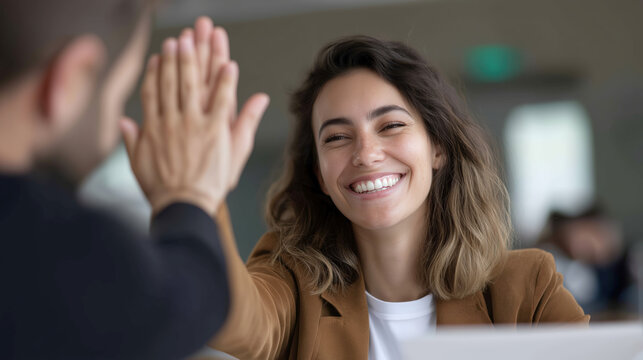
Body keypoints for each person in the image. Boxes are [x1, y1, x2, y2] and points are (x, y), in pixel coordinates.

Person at [152, 36, 588, 359]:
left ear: (437, 147)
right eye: (337, 137)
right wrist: (199, 197)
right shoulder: (291, 280)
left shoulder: (528, 287)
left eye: (391, 126)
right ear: (320, 176)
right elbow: (235, 324)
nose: (365, 154)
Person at [0, 1, 268, 358]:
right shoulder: (56, 253)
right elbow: (184, 302)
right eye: (119, 93)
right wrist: (188, 195)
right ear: (71, 77)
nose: (115, 127)